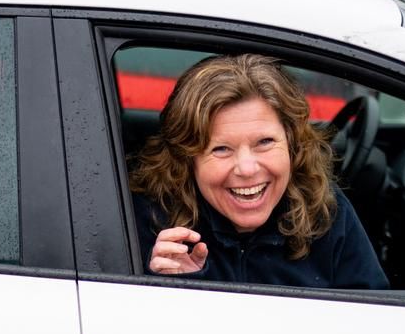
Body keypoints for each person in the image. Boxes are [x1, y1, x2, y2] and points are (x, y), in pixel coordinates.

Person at [129, 54, 388, 289]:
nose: (247, 168)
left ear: (292, 144)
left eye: (264, 142)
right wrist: (168, 285)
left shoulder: (326, 209)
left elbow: (377, 321)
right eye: (221, 149)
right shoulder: (147, 219)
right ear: (188, 158)